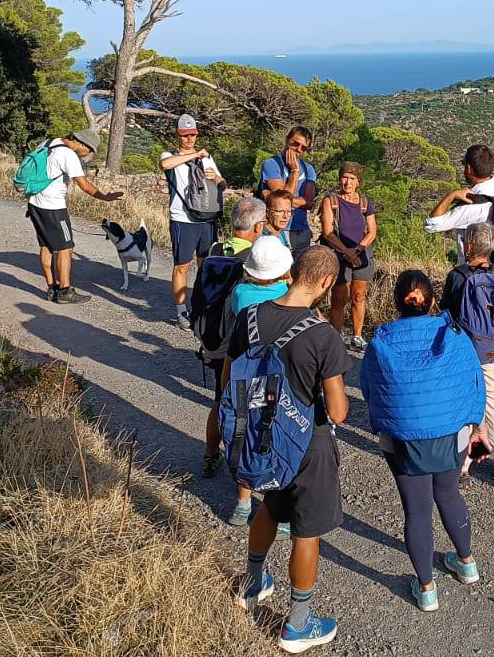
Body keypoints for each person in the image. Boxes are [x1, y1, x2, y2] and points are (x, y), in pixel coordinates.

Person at [232, 246, 349, 653]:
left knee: (270, 505)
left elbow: (231, 378)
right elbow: (338, 411)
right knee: (306, 529)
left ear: (293, 271)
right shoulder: (322, 334)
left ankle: (251, 582)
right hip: (307, 442)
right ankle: (297, 624)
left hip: (262, 433)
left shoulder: (249, 318)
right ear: (326, 282)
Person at [360, 271, 486, 612]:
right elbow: (475, 384)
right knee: (449, 493)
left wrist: (384, 424)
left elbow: (370, 391)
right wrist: (476, 426)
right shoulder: (455, 335)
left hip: (402, 439)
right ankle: (467, 563)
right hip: (451, 433)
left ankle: (427, 589)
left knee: (416, 511)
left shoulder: (380, 341)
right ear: (432, 301)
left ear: (396, 302)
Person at [425, 144, 494, 416]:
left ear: (468, 169)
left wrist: (451, 195)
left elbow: (430, 224)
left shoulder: (472, 205)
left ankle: (470, 392)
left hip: (471, 280)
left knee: (469, 331)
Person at [209, 235, 294, 521]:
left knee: (246, 433)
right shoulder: (285, 292)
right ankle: (277, 503)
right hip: (278, 376)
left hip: (245, 374)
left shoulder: (240, 294)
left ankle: (243, 502)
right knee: (277, 433)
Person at [440, 223, 494, 484]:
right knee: (493, 405)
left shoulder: (458, 276)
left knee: (464, 405)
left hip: (465, 351)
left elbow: (446, 314)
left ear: (469, 246)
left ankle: (463, 464)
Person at [24, 128, 123, 303]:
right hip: (54, 207)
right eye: (90, 150)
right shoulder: (68, 155)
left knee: (46, 246)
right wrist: (105, 197)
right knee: (66, 247)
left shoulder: (48, 143)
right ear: (81, 142)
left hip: (34, 203)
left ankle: (51, 289)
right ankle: (65, 291)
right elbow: (84, 185)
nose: (89, 154)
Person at [162, 114, 226, 329]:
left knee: (205, 265)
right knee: (182, 265)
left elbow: (222, 183)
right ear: (178, 135)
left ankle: (202, 305)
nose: (189, 139)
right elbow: (165, 164)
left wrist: (216, 179)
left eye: (193, 134)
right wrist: (194, 155)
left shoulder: (207, 158)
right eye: (185, 135)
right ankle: (181, 311)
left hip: (206, 219)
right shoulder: (170, 155)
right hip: (182, 219)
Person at [318, 161, 377, 351]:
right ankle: (335, 338)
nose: (347, 182)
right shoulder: (331, 201)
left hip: (361, 254)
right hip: (339, 254)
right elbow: (328, 232)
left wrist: (357, 251)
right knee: (339, 298)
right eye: (344, 177)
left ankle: (357, 336)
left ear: (358, 181)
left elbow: (372, 232)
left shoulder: (365, 203)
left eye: (352, 178)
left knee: (359, 296)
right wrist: (347, 252)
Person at [260, 126, 318, 251]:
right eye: (295, 144)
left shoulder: (309, 169)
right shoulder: (271, 164)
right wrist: (294, 171)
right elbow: (283, 201)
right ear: (287, 139)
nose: (298, 149)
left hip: (301, 230)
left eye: (303, 148)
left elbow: (309, 203)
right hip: (277, 230)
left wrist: (275, 195)